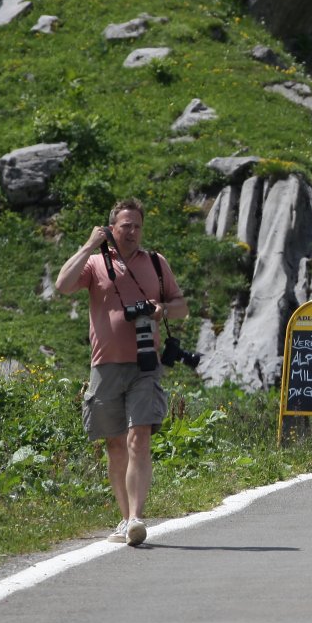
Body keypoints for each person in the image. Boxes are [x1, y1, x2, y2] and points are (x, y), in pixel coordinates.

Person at [55, 198, 189, 547]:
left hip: (145, 365)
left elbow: (182, 307)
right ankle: (125, 516)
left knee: (139, 437)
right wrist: (89, 245)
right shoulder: (95, 263)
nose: (132, 232)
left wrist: (161, 309)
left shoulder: (156, 263)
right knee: (115, 445)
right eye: (125, 225)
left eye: (137, 226)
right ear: (111, 228)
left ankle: (136, 518)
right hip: (105, 365)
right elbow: (63, 285)